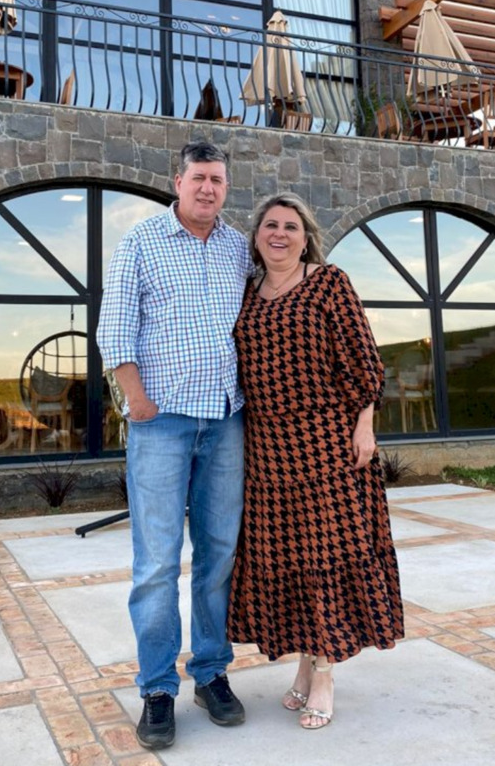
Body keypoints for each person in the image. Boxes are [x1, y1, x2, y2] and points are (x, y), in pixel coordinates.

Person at [97, 140, 253, 751]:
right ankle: (158, 688)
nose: (208, 188)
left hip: (226, 421)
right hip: (161, 422)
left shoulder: (238, 247)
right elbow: (115, 326)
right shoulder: (141, 241)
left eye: (218, 180)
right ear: (178, 181)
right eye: (199, 178)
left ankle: (210, 673)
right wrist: (136, 400)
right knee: (158, 562)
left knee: (219, 555)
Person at [227, 193, 404, 731]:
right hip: (267, 450)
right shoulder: (247, 291)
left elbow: (365, 362)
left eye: (291, 226)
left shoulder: (330, 283)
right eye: (270, 225)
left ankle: (324, 673)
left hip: (326, 443)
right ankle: (306, 663)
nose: (279, 234)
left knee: (325, 557)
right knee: (291, 560)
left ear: (306, 238)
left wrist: (365, 424)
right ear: (256, 236)